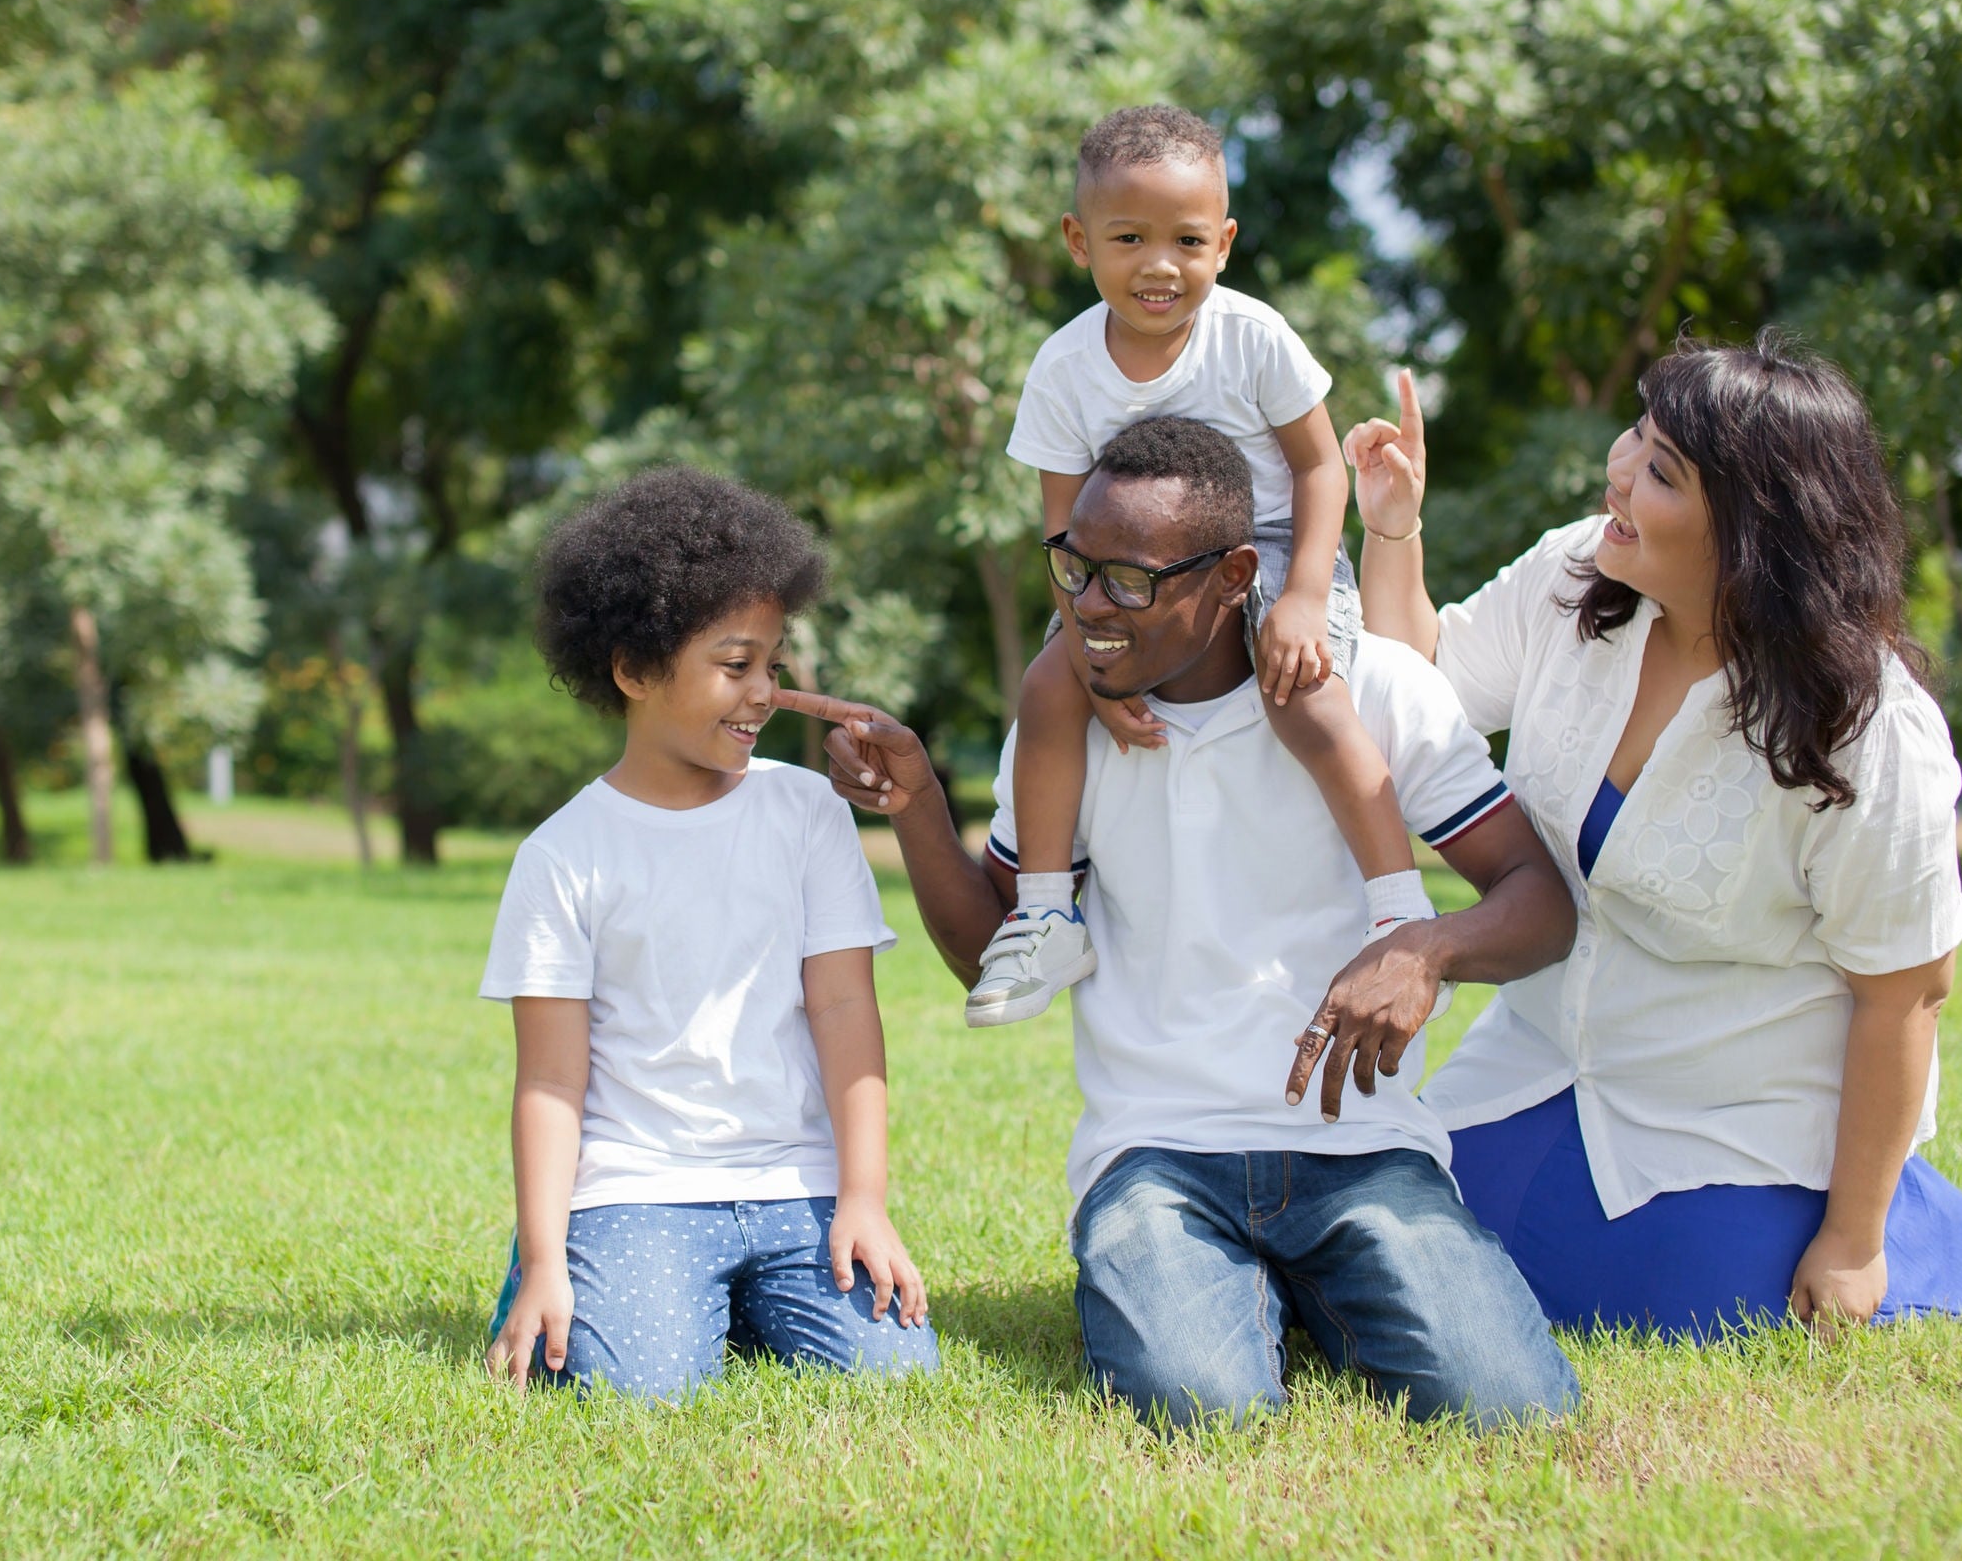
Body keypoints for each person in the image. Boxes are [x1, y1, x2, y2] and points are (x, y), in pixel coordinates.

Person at [782, 417, 1582, 1431]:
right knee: (1202, 1408)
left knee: (1510, 1409)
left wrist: (1428, 945)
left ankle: (1311, 1284)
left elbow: (1539, 899)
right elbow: (999, 951)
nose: (1087, 611)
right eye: (1074, 570)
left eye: (1130, 582)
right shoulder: (1064, 725)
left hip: (1366, 1149)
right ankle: (1248, 1288)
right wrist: (920, 809)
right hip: (1155, 1154)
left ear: (1234, 573)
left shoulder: (1376, 685)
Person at [1350, 333, 1962, 1339]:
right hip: (1536, 1070)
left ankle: (1894, 1231)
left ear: (1756, 531)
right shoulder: (1574, 576)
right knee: (1392, 1260)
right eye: (1637, 432)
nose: (1618, 471)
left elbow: (1906, 993)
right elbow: (1417, 683)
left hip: (1735, 1123)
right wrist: (1395, 530)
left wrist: (1851, 1243)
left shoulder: (1866, 729)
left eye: (1662, 470)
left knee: (1681, 1308)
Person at [968, 104, 1429, 1028]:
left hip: (1266, 553)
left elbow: (1315, 465)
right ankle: (1049, 911)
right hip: (1126, 577)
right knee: (1048, 687)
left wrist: (1302, 595)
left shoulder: (1250, 335)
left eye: (1186, 239)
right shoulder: (1063, 368)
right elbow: (1064, 537)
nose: (1159, 264)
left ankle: (1398, 910)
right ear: (1078, 240)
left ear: (1222, 243)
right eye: (1128, 237)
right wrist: (1091, 661)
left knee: (1304, 688)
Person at [480, 468, 937, 1400]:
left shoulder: (807, 811)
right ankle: (599, 1274)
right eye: (736, 666)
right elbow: (551, 1079)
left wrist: (863, 1201)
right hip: (636, 1188)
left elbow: (845, 1008)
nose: (763, 691)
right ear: (635, 670)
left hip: (797, 1187)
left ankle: (728, 1299)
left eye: (772, 662)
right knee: (633, 1389)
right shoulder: (562, 855)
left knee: (895, 1377)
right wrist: (544, 1262)